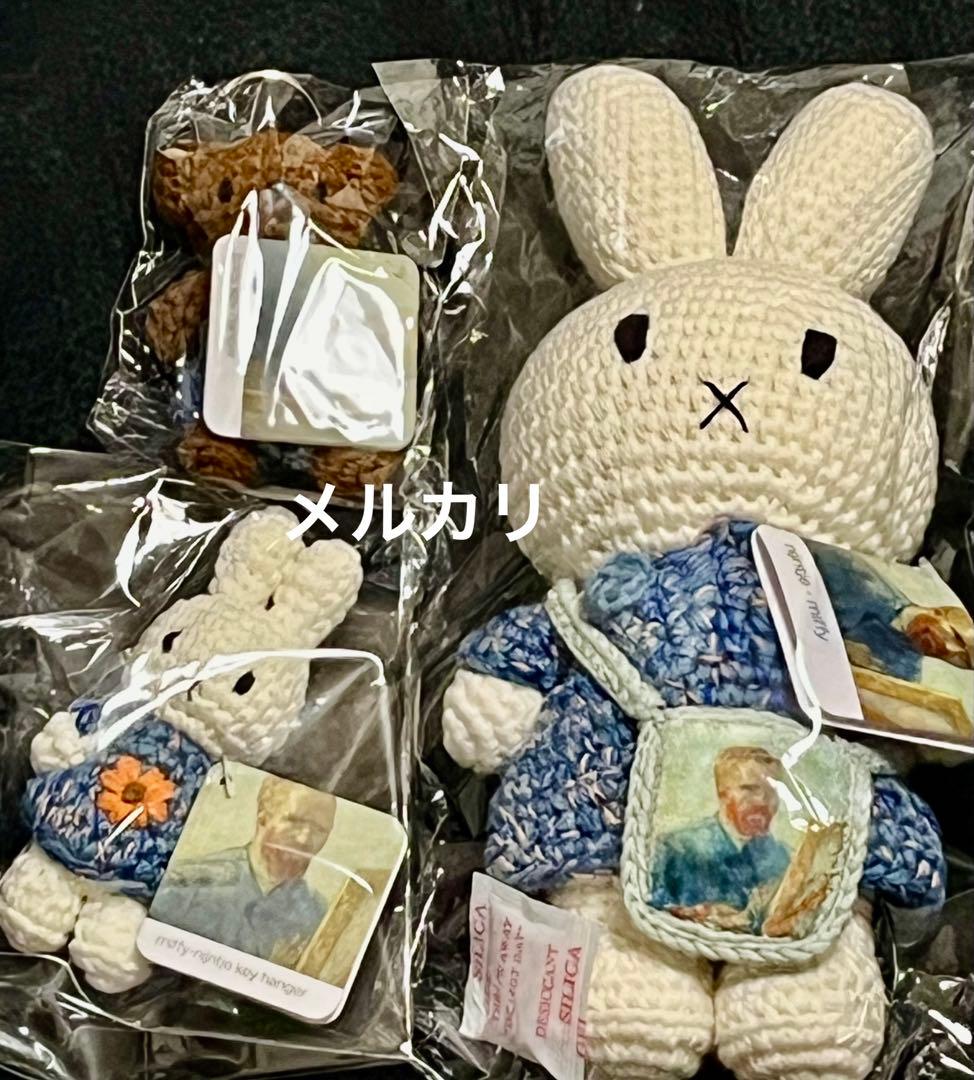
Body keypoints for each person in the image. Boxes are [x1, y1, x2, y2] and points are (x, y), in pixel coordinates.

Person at [151, 776, 336, 967]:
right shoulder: (185, 885)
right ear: (263, 815)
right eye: (294, 821)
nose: (304, 839)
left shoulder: (318, 914)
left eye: (319, 830)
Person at [650, 746, 791, 932]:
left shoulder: (784, 859)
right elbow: (651, 914)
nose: (763, 800)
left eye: (774, 790)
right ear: (722, 794)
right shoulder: (675, 849)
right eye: (749, 789)